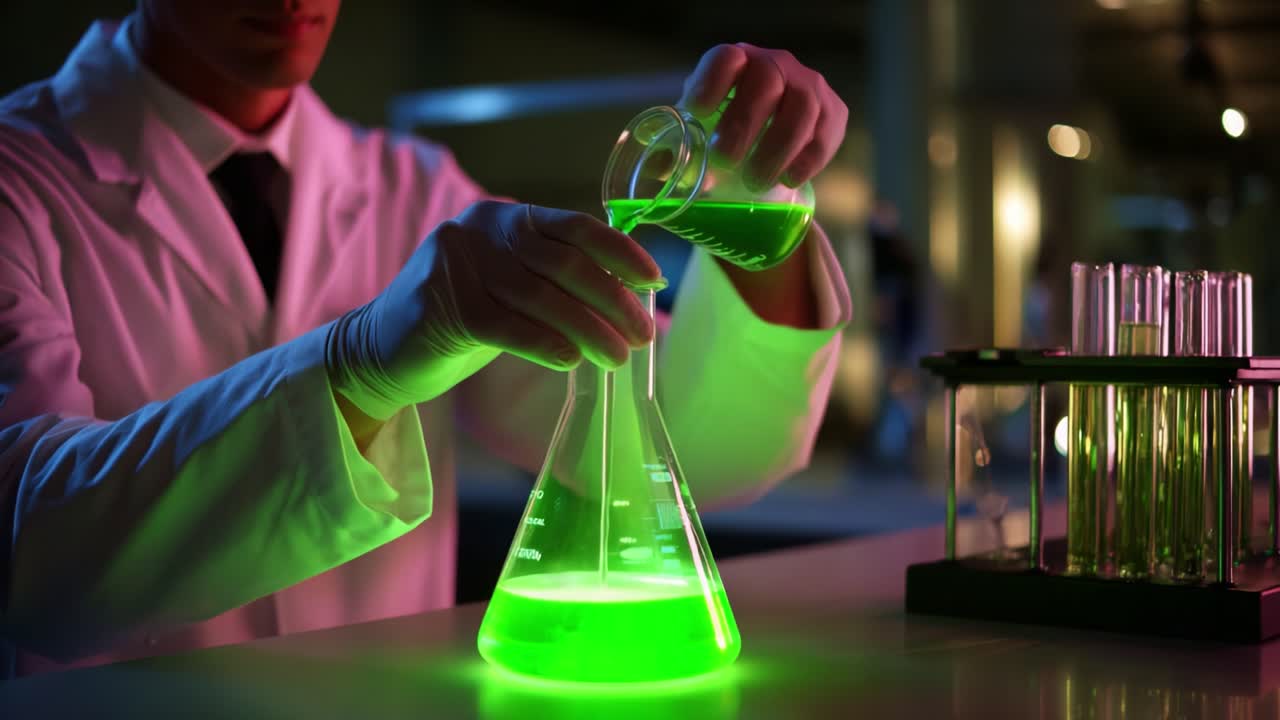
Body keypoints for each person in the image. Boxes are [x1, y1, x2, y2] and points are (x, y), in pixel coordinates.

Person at [0, 1, 852, 678]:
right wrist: (359, 368)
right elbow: (29, 557)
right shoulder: (21, 178)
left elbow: (699, 448)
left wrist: (760, 202)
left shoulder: (412, 188)